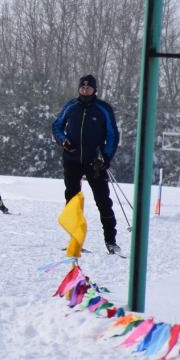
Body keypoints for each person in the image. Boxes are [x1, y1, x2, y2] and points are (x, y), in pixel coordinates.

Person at [52, 74, 120, 253]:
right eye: (82, 88)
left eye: (88, 88)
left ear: (94, 89)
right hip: (72, 160)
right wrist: (64, 140)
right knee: (72, 201)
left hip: (94, 163)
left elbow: (112, 134)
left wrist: (105, 157)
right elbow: (57, 126)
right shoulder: (71, 106)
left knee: (103, 201)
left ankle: (111, 241)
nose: (85, 90)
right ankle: (75, 240)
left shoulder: (103, 108)